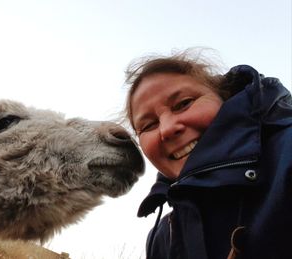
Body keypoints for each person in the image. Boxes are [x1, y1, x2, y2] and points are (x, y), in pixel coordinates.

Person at [123, 49, 292, 259]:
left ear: (224, 97)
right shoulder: (163, 237)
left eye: (184, 103)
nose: (166, 128)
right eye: (148, 125)